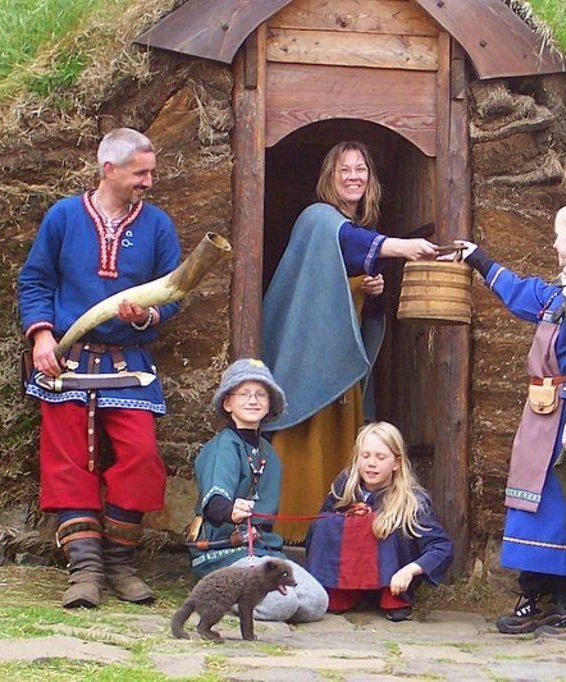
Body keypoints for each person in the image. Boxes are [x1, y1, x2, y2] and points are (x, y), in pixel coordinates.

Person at [18, 127, 181, 608]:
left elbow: (173, 291)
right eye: (140, 172)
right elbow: (35, 280)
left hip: (128, 362)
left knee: (142, 456)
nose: (149, 181)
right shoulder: (65, 216)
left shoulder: (157, 226)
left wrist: (148, 314)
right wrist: (42, 335)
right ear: (109, 169)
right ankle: (84, 571)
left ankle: (119, 565)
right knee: (68, 461)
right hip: (66, 358)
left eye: (151, 172)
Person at [455, 198, 566, 638]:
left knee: (561, 507)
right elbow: (526, 296)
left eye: (558, 234)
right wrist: (480, 259)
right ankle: (540, 596)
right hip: (543, 416)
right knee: (529, 503)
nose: (553, 243)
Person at [261, 141, 439, 540]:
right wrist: (401, 248)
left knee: (342, 449)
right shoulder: (318, 219)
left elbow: (357, 301)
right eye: (344, 169)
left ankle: (330, 536)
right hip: (311, 360)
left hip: (343, 361)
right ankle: (291, 533)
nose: (353, 177)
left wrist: (370, 292)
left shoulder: (361, 232)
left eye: (361, 169)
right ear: (330, 176)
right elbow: (346, 245)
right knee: (305, 445)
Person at [187, 358, 328, 623]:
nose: (253, 400)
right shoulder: (223, 448)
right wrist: (231, 511)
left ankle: (255, 596)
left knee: (316, 602)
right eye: (244, 393)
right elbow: (215, 504)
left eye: (261, 395)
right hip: (225, 551)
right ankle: (222, 594)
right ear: (227, 403)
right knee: (280, 606)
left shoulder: (269, 454)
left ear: (270, 405)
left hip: (264, 553)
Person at [305, 421, 453, 622]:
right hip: (349, 572)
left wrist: (409, 571)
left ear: (396, 463)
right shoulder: (346, 486)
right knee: (325, 522)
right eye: (365, 456)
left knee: (389, 523)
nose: (371, 463)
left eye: (380, 457)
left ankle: (393, 596)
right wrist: (347, 517)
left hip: (392, 577)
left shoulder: (412, 500)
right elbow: (319, 529)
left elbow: (441, 546)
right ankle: (341, 588)